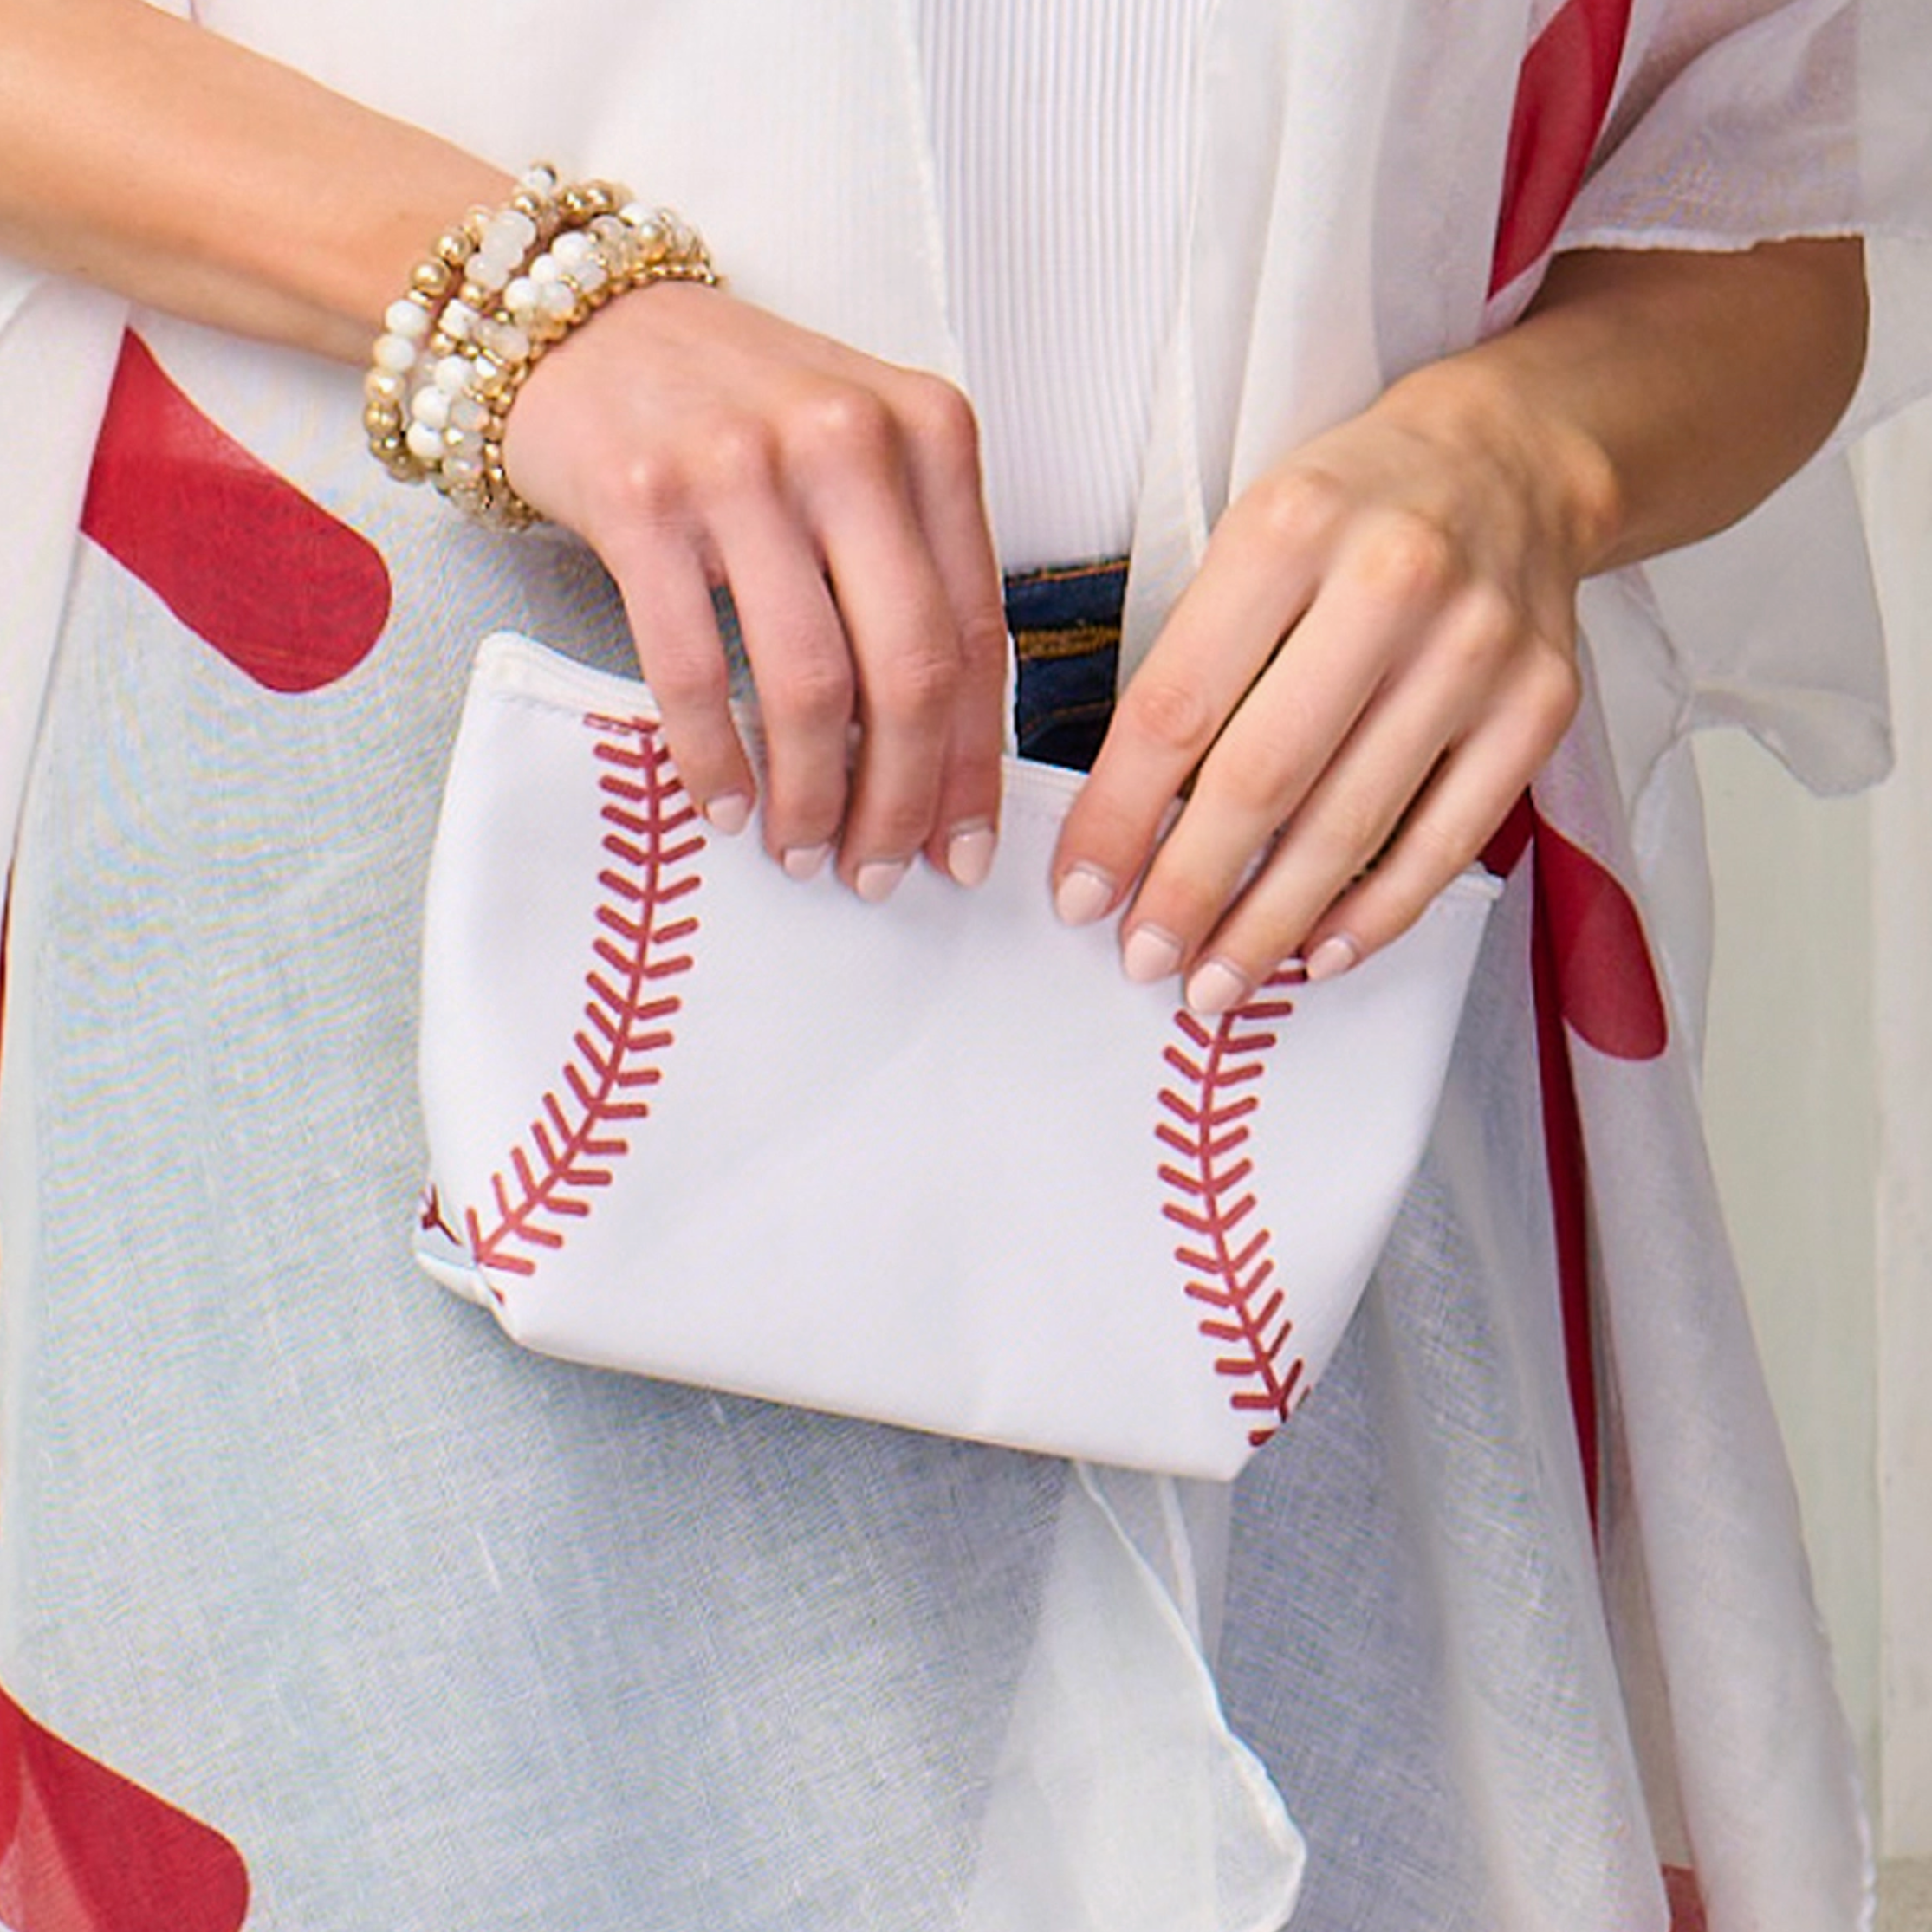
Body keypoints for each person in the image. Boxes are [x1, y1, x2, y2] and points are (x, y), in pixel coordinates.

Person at [0, 0, 1924, 1925]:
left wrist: (1518, 452)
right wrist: (537, 307)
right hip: (381, 832)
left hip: (1298, 881)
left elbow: (1749, 189)